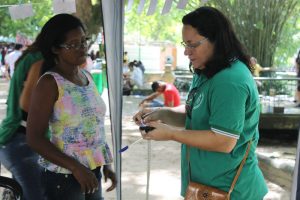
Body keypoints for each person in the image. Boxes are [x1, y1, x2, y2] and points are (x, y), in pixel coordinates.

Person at [133, 6, 267, 200]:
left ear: (216, 41)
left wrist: (171, 134)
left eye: (193, 44)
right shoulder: (206, 70)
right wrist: (161, 113)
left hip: (231, 190)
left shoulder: (230, 80)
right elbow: (194, 114)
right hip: (203, 186)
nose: (187, 52)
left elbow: (223, 141)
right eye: (185, 44)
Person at [26, 14, 116, 200]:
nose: (82, 48)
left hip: (92, 172)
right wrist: (75, 167)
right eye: (73, 44)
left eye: (84, 41)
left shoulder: (87, 77)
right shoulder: (50, 83)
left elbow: (94, 125)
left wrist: (106, 163)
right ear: (55, 49)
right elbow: (34, 138)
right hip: (64, 178)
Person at [0, 30, 45, 200]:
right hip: (21, 141)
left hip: (14, 138)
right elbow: (26, 103)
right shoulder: (40, 61)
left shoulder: (30, 56)